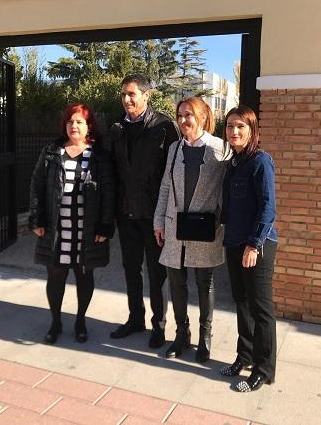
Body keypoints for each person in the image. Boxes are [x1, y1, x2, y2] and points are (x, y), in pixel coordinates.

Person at [29, 103, 115, 345]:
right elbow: (36, 186)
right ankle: (55, 322)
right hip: (57, 230)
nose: (73, 125)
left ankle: (80, 321)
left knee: (84, 276)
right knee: (55, 277)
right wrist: (36, 218)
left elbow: (109, 193)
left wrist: (105, 226)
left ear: (89, 126)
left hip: (86, 230)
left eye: (79, 121)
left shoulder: (99, 156)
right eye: (70, 121)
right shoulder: (51, 152)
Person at [109, 74, 180, 348]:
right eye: (123, 94)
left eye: (132, 94)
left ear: (146, 96)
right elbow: (114, 173)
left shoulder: (164, 126)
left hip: (154, 217)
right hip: (127, 215)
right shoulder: (116, 128)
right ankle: (135, 318)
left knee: (156, 273)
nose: (127, 99)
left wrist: (166, 215)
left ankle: (158, 326)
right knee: (130, 270)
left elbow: (173, 174)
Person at [153, 97, 227, 363]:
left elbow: (225, 191)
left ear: (203, 116)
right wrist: (158, 221)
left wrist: (220, 219)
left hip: (205, 228)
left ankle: (205, 337)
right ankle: (181, 333)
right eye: (180, 115)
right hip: (174, 228)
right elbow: (164, 187)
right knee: (176, 282)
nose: (184, 120)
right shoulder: (174, 148)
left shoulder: (220, 149)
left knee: (204, 282)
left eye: (189, 115)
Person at [219, 105, 278, 392]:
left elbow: (268, 208)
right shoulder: (234, 163)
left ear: (252, 130)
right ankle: (244, 356)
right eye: (230, 126)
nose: (235, 131)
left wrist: (254, 244)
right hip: (233, 241)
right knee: (241, 303)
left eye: (241, 126)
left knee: (261, 308)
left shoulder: (260, 161)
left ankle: (263, 370)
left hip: (258, 244)